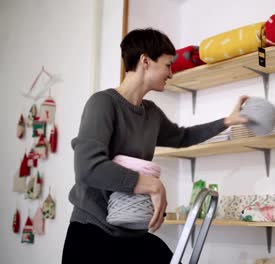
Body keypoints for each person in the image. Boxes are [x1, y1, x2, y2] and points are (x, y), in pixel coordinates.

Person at [62, 28, 248, 264]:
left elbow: (182, 137)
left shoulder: (151, 114)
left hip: (131, 231)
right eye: (168, 65)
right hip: (93, 233)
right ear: (145, 61)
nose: (171, 74)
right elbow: (88, 167)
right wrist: (152, 185)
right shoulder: (103, 104)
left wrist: (226, 122)